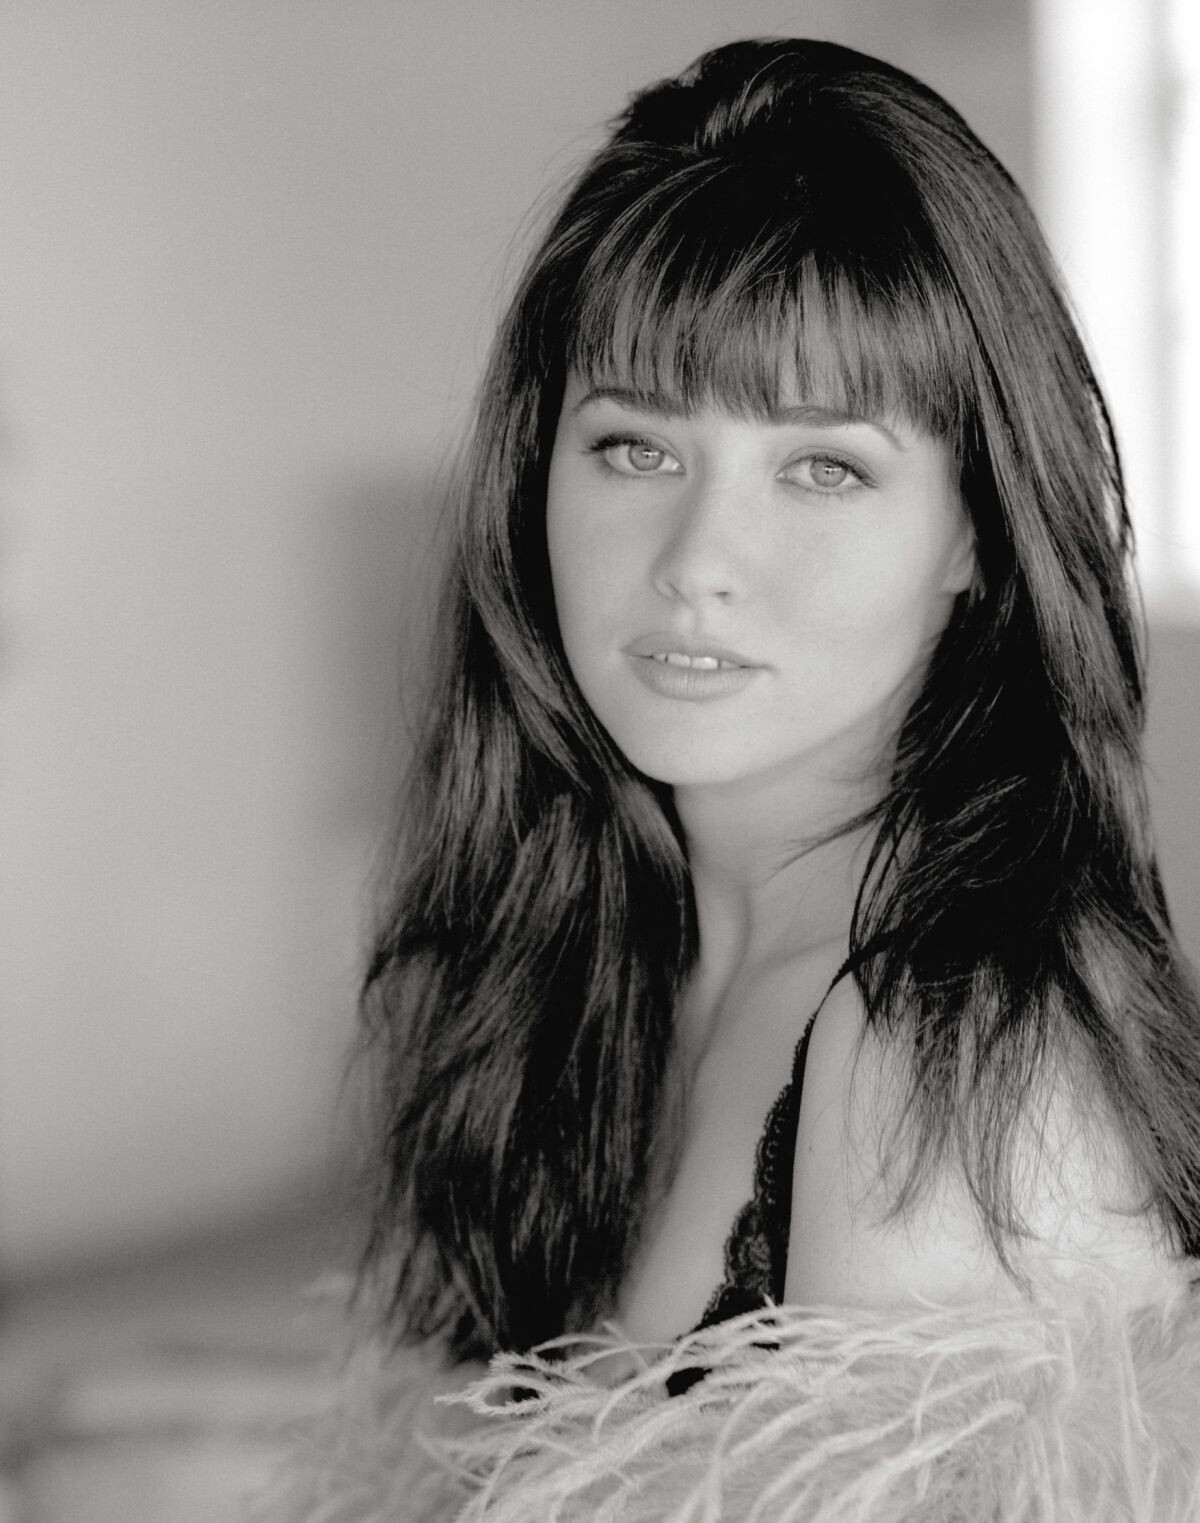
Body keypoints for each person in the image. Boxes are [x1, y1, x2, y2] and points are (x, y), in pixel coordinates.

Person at [263, 37, 1200, 1523]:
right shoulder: (617, 940)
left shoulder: (946, 1054)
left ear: (976, 533)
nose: (698, 563)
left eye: (824, 468)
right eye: (635, 448)